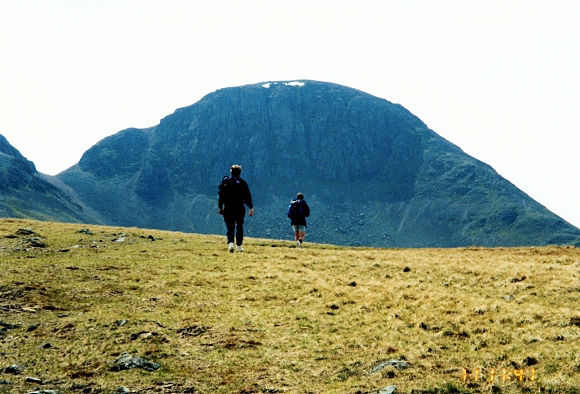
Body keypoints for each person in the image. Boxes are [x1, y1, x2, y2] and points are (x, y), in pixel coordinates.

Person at [218, 164, 254, 252]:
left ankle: (230, 244)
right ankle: (239, 246)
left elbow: (221, 195)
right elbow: (247, 197)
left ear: (231, 172)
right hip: (239, 208)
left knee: (230, 226)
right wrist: (251, 207)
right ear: (240, 173)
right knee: (239, 226)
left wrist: (220, 206)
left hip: (228, 207)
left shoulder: (226, 182)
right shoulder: (243, 183)